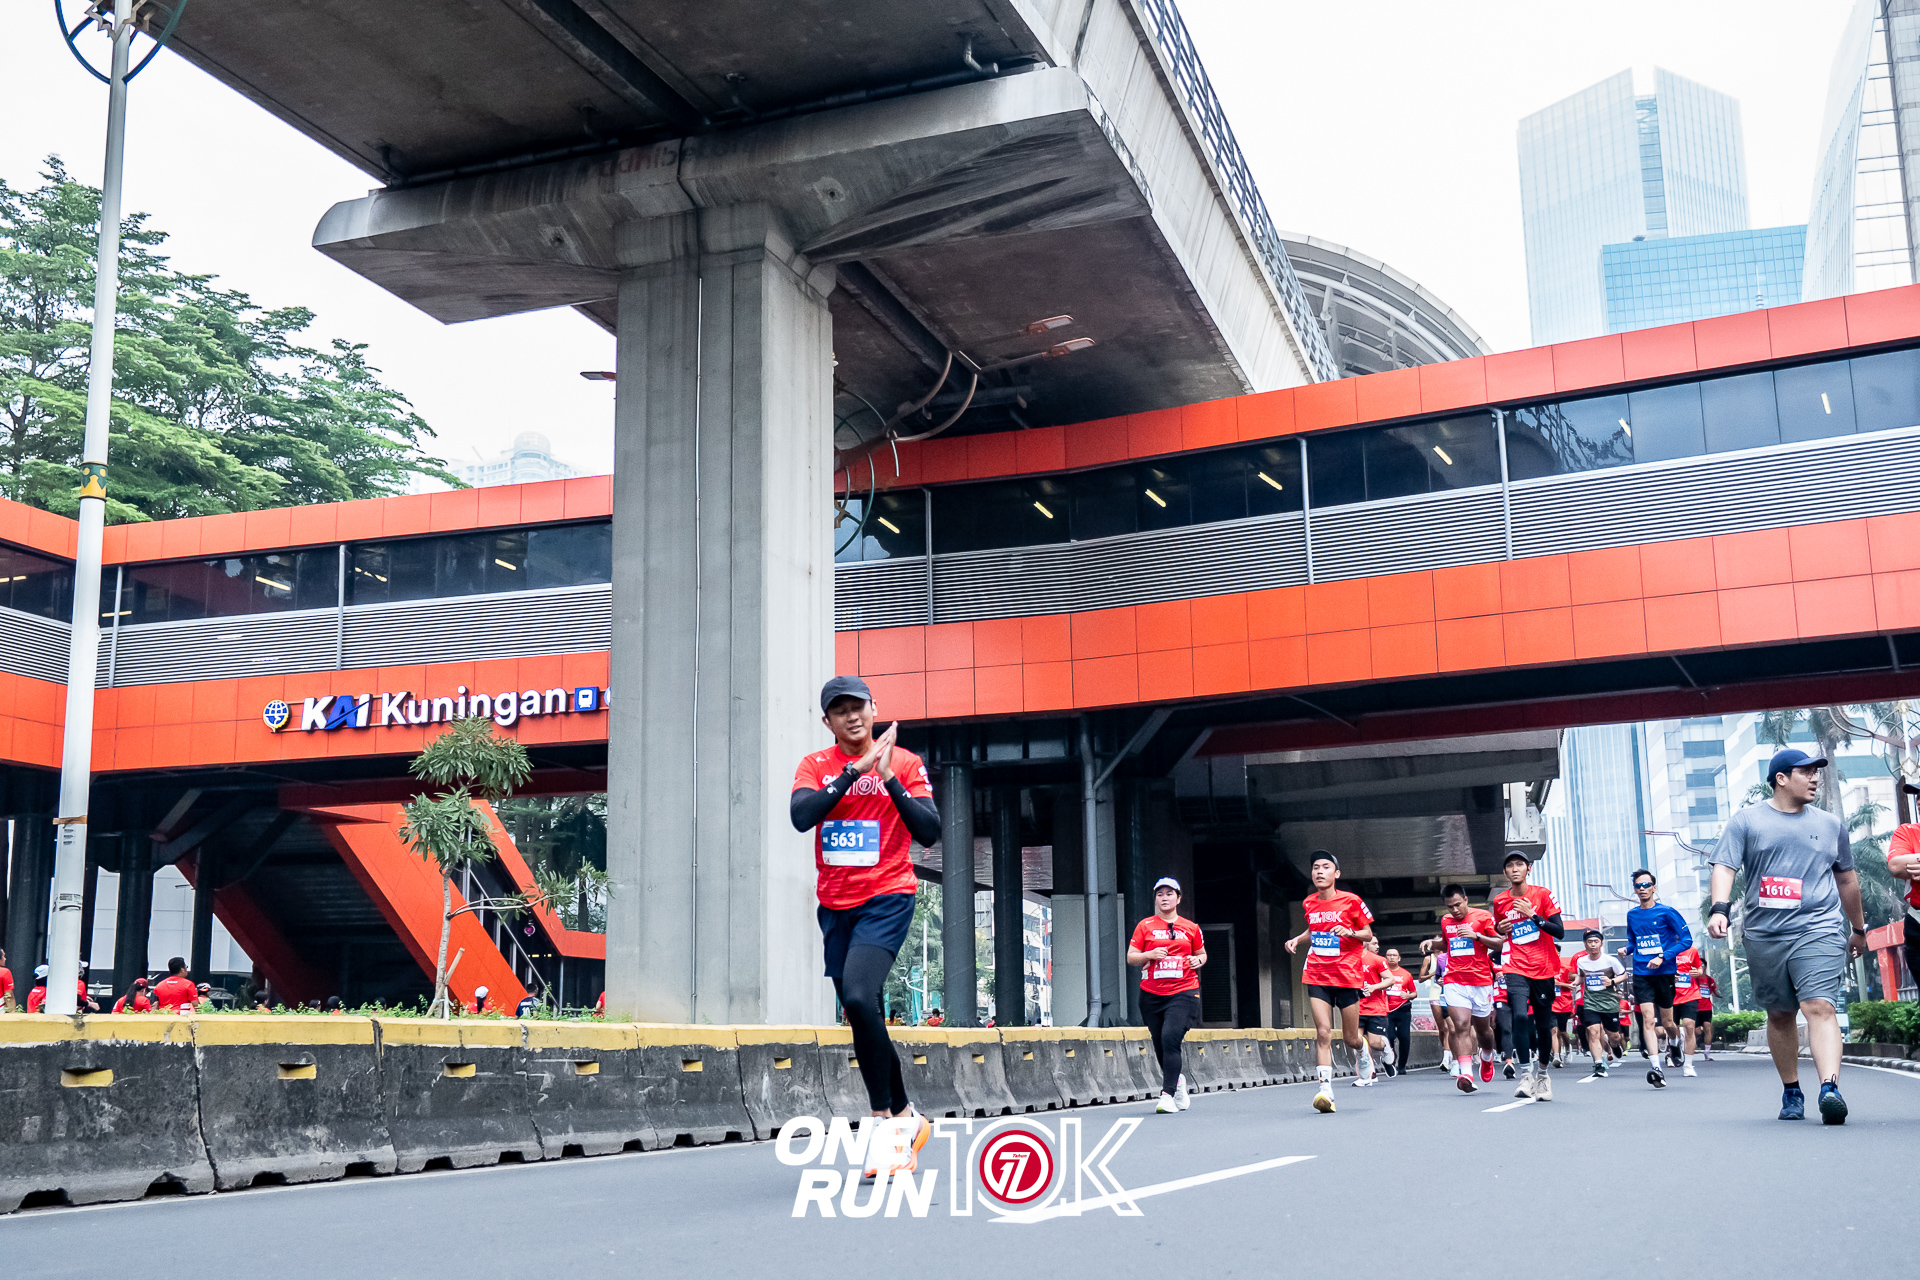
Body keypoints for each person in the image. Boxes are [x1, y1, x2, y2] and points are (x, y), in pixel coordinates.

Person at [791, 674, 941, 1175]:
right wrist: (855, 771)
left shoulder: (907, 763)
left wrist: (887, 775)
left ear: (874, 709)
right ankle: (906, 1116)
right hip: (836, 906)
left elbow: (929, 832)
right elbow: (802, 816)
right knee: (862, 1013)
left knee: (857, 996)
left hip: (887, 897)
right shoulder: (815, 766)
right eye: (840, 710)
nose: (852, 716)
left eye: (858, 707)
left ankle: (886, 1126)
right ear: (827, 721)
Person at [1708, 748, 1863, 1125]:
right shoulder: (1747, 821)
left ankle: (1829, 1088)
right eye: (1805, 772)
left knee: (1820, 1006)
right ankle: (1792, 1090)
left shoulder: (1830, 824)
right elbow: (1725, 867)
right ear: (1780, 778)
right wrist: (1719, 909)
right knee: (1780, 1014)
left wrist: (1858, 928)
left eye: (1816, 772)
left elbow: (1846, 879)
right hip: (1765, 934)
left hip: (1819, 927)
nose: (1815, 778)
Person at [1283, 850, 1376, 1112]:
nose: (1319, 871)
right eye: (1315, 867)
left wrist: (1349, 931)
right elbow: (1314, 930)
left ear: (1336, 874)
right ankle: (1325, 1090)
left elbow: (1368, 934)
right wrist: (1298, 939)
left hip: (1346, 975)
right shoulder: (1309, 902)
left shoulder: (1351, 901)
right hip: (1318, 973)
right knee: (1323, 1031)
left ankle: (1362, 1050)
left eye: (1325, 867)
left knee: (1350, 1038)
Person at [1127, 876, 1207, 1114]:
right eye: (1160, 894)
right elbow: (1131, 957)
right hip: (1151, 994)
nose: (1164, 898)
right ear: (1155, 899)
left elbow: (1202, 954)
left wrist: (1198, 960)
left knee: (1170, 1037)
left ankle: (1167, 1096)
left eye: (1170, 894)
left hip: (1183, 991)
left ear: (1178, 898)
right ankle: (1177, 1081)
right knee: (1159, 1042)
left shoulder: (1191, 927)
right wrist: (1149, 955)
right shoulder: (1145, 926)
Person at [1490, 850, 1566, 1099]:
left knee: (1543, 1026)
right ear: (1505, 872)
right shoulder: (1500, 901)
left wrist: (1533, 915)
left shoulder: (1542, 894)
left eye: (1519, 864)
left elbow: (1559, 931)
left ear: (1528, 869)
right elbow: (1500, 930)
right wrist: (1499, 927)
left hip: (1543, 968)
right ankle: (1525, 1075)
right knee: (1520, 1017)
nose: (1514, 869)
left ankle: (1542, 1075)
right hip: (1515, 967)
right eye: (1510, 865)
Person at [1623, 871, 1690, 1090]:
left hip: (1664, 972)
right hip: (1642, 973)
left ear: (1654, 887)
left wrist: (1663, 957)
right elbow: (1634, 942)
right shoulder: (1632, 915)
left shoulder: (1667, 912)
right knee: (1648, 1020)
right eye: (1638, 885)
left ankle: (1674, 1042)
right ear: (1634, 889)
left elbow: (1686, 940)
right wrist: (1627, 949)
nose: (1642, 888)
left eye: (1646, 884)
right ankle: (1656, 1068)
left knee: (1668, 1023)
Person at [1435, 884, 1501, 1094]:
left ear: (1466, 899)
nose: (1454, 910)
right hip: (1454, 980)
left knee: (1483, 1031)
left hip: (1480, 982)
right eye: (1450, 907)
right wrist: (1432, 943)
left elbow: (1500, 943)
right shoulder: (1446, 921)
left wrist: (1477, 936)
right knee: (1461, 1026)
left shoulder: (1483, 917)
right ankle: (1466, 1074)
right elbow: (1446, 944)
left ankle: (1486, 1055)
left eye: (1457, 905)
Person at [1574, 929, 1628, 1077]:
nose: (1593, 945)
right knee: (1593, 1031)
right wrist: (1575, 983)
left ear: (1601, 943)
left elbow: (1624, 975)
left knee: (1614, 1036)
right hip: (1590, 1001)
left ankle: (1615, 1045)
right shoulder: (1581, 961)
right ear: (1585, 944)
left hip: (1609, 1001)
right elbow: (1581, 977)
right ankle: (1598, 1064)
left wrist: (1611, 981)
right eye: (1590, 942)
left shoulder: (1610, 960)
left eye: (1596, 942)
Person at [1355, 939, 1394, 1085]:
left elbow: (1390, 980)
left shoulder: (1377, 960)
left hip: (1375, 1008)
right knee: (1356, 1042)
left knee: (1374, 1043)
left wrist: (1373, 987)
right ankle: (1368, 1075)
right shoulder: (1348, 959)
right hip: (1355, 1007)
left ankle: (1385, 1048)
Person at [1670, 942, 1708, 1076]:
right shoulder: (1665, 948)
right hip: (1670, 995)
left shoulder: (1692, 950)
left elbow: (1699, 969)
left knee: (1689, 1026)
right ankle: (1674, 1042)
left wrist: (1697, 972)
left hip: (1690, 994)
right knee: (1670, 1027)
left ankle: (1688, 1065)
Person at [1381, 947, 1415, 1078]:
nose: (1392, 957)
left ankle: (1402, 1066)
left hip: (1402, 1009)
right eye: (1389, 955)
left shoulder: (1406, 974)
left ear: (1399, 958)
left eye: (1394, 955)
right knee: (1389, 1037)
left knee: (1404, 1038)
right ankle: (1392, 1060)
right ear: (1386, 958)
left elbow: (1414, 993)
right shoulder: (1381, 973)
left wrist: (1408, 995)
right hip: (1387, 1009)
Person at [1553, 950, 1578, 1066]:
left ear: (1559, 953)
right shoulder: (1544, 967)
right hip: (1550, 1003)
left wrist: (1565, 984)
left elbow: (1576, 979)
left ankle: (1567, 1048)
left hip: (1563, 1003)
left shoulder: (1565, 968)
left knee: (1562, 1031)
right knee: (1553, 1030)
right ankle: (1556, 1056)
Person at [0, 947, 12, 1013]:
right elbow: (9, 996)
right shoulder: (5, 972)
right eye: (3, 956)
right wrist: (12, 1013)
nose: (5, 959)